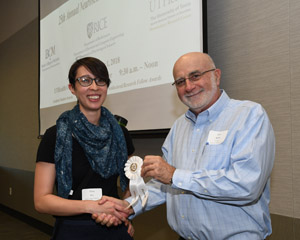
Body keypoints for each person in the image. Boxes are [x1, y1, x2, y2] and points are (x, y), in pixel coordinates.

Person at [93, 52, 275, 240]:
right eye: (180, 82)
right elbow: (163, 185)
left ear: (217, 76)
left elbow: (246, 184)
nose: (188, 86)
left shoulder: (249, 116)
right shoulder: (179, 126)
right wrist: (128, 207)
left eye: (195, 76)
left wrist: (174, 175)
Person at [34, 57, 135, 240]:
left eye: (100, 80)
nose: (94, 87)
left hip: (114, 227)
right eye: (85, 81)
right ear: (72, 88)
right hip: (72, 229)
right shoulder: (55, 136)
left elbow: (132, 186)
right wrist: (91, 206)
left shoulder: (120, 134)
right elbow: (41, 201)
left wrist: (123, 212)